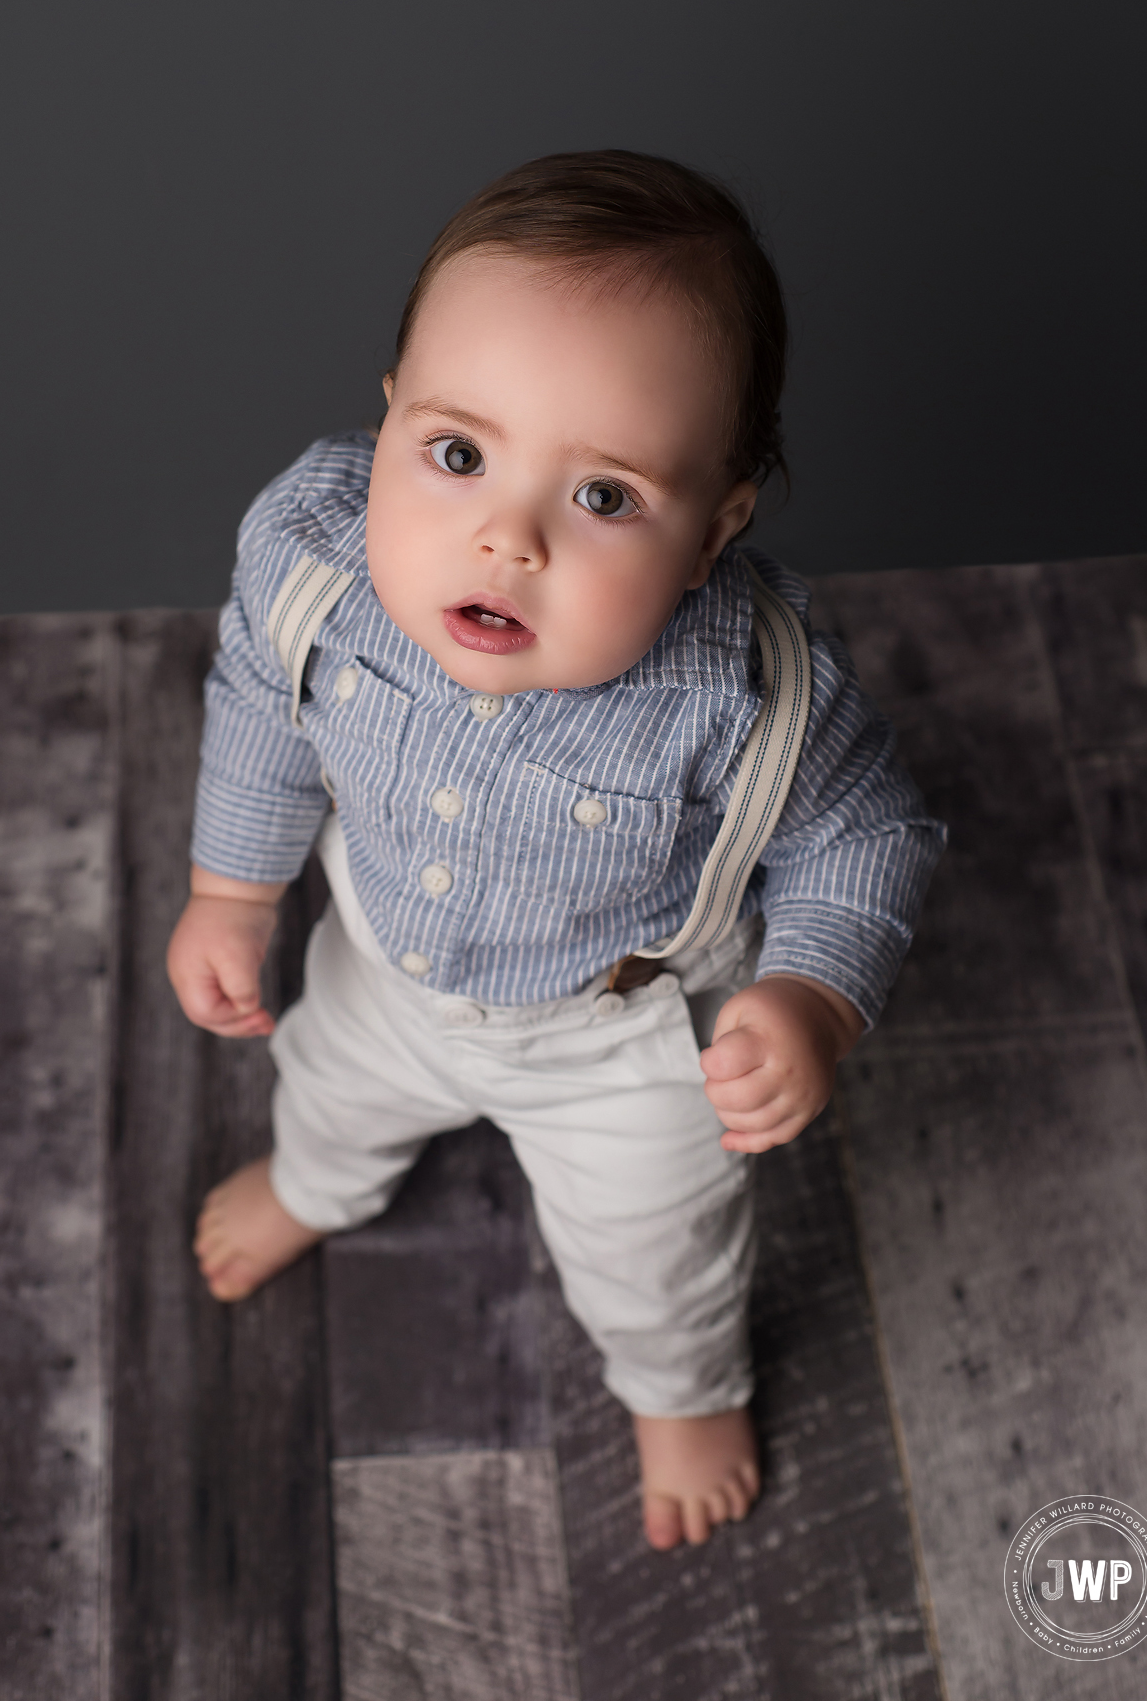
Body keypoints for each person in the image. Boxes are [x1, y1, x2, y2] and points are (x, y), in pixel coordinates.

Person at [165, 149, 944, 1551]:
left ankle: (680, 1388)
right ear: (390, 413)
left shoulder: (746, 691)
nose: (503, 536)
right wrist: (232, 887)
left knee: (657, 1249)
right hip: (383, 969)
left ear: (714, 528)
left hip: (624, 1041)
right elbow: (262, 705)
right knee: (328, 1090)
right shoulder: (317, 565)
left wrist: (815, 992)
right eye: (455, 454)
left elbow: (864, 832)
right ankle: (315, 1187)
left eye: (602, 498)